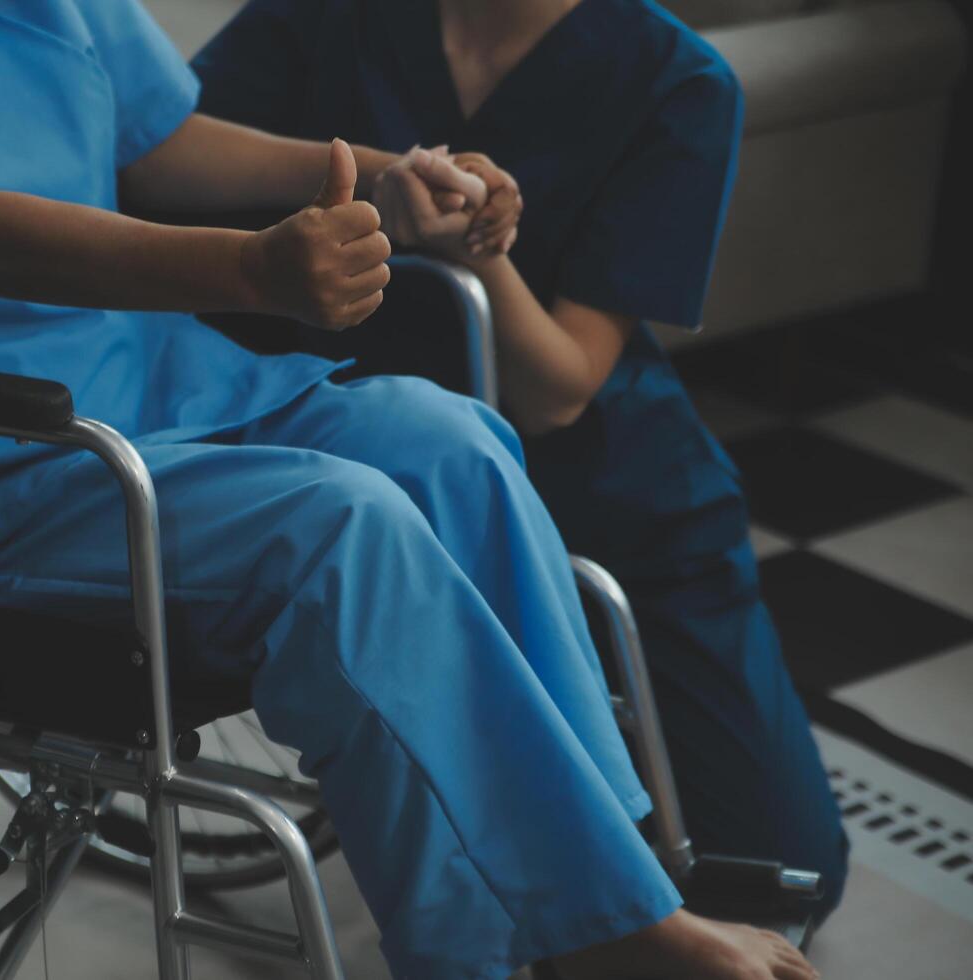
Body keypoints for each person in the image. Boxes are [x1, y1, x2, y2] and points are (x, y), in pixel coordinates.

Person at [0, 1, 818, 977]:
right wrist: (249, 268)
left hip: (138, 384)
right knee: (347, 533)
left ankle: (600, 896)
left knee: (445, 438)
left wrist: (381, 177)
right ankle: (599, 928)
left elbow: (162, 140)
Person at [194, 0, 849, 919]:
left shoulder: (677, 80)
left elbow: (559, 390)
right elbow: (158, 157)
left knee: (782, 871)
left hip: (608, 485)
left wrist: (476, 251)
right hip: (370, 451)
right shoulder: (326, 17)